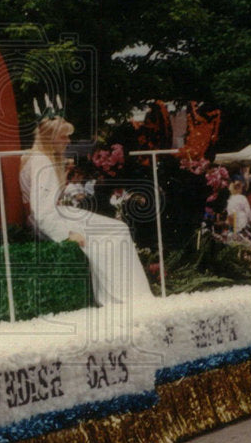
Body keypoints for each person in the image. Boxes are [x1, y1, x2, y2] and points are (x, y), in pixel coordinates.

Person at [19, 117, 152, 306]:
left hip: (57, 214)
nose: (68, 141)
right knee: (117, 231)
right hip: (52, 220)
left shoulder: (40, 158)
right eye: (63, 137)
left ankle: (126, 295)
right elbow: (41, 211)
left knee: (118, 229)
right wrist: (67, 234)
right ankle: (126, 297)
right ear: (49, 138)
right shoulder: (42, 162)